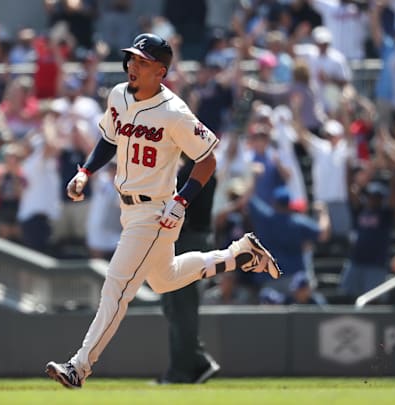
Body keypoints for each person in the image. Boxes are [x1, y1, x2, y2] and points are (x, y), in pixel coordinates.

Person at [45, 33, 280, 389]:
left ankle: (79, 365)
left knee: (116, 288)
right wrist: (84, 171)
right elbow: (110, 139)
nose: (132, 66)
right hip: (128, 209)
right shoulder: (118, 95)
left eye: (141, 61)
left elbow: (207, 160)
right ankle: (239, 254)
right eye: (131, 59)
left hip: (156, 210)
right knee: (164, 278)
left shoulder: (175, 112)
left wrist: (181, 200)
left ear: (161, 71)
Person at [158, 157, 220, 385]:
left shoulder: (195, 171)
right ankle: (198, 361)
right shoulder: (197, 168)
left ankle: (181, 372)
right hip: (192, 238)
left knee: (180, 306)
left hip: (187, 239)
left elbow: (181, 213)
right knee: (174, 305)